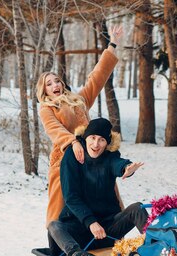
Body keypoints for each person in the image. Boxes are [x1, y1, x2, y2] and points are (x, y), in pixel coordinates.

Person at [36, 24, 123, 231]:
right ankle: (58, 243)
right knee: (61, 204)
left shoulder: (79, 100)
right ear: (44, 90)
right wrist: (73, 142)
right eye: (49, 84)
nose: (55, 85)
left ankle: (113, 241)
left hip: (93, 156)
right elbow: (54, 130)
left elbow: (97, 77)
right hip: (66, 157)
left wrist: (112, 44)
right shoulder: (47, 108)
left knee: (107, 199)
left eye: (57, 81)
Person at [48, 118, 147, 256]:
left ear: (107, 143)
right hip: (79, 230)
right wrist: (91, 222)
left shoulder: (109, 156)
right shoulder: (72, 156)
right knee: (54, 226)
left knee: (137, 208)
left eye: (101, 140)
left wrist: (126, 168)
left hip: (106, 231)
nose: (96, 144)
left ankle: (157, 249)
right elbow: (71, 196)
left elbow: (117, 163)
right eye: (92, 138)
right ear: (85, 137)